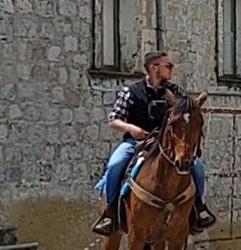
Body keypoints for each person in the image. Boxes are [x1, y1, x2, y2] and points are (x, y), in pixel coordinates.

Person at [92, 51, 216, 236]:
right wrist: (132, 129)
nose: (171, 69)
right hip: (136, 141)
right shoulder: (130, 92)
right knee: (115, 164)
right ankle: (110, 214)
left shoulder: (176, 93)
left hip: (166, 145)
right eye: (168, 66)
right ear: (153, 68)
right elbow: (113, 120)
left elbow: (187, 115)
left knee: (198, 167)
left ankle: (198, 209)